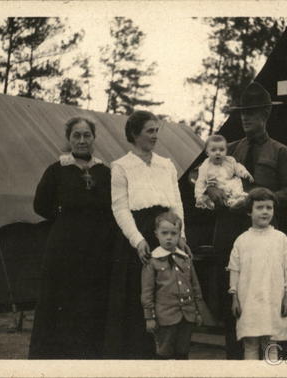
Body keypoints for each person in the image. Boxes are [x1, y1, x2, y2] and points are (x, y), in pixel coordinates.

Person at [208, 81, 287, 359]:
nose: (246, 118)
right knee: (232, 302)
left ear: (265, 115)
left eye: (253, 112)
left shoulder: (279, 151)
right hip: (230, 236)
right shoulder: (229, 150)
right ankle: (235, 364)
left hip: (263, 241)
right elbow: (204, 181)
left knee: (265, 300)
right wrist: (218, 193)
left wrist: (261, 198)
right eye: (243, 113)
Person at [105, 110, 191, 359]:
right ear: (134, 134)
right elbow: (119, 207)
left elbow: (177, 204)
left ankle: (169, 356)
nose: (155, 136)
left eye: (156, 131)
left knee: (170, 296)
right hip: (139, 234)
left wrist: (181, 235)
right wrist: (137, 240)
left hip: (167, 231)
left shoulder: (167, 165)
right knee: (140, 297)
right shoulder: (121, 166)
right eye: (149, 131)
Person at [28, 117, 114, 359]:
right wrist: (65, 219)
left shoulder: (105, 172)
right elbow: (40, 205)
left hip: (98, 246)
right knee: (64, 299)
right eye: (76, 135)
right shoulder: (57, 170)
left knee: (92, 299)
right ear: (68, 139)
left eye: (87, 135)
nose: (82, 140)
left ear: (94, 139)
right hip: (65, 246)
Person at [227, 188, 287, 360]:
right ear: (249, 211)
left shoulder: (281, 239)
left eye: (269, 207)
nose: (265, 211)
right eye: (260, 207)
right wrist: (234, 297)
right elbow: (234, 270)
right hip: (249, 300)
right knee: (250, 344)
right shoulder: (242, 240)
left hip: (273, 299)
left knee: (271, 345)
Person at [141, 211, 204, 359]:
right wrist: (149, 317)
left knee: (183, 352)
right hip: (165, 317)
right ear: (156, 234)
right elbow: (147, 292)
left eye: (173, 233)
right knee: (164, 352)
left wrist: (198, 312)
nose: (169, 237)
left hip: (187, 316)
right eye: (164, 233)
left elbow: (195, 287)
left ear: (179, 235)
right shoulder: (152, 261)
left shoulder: (186, 259)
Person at [194, 134, 254, 210]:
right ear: (207, 153)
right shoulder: (205, 166)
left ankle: (238, 199)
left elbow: (237, 167)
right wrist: (199, 196)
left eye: (221, 150)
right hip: (216, 187)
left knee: (236, 181)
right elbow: (200, 181)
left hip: (229, 183)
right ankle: (229, 202)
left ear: (226, 151)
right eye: (213, 150)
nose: (218, 153)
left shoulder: (229, 160)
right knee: (211, 193)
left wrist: (244, 173)